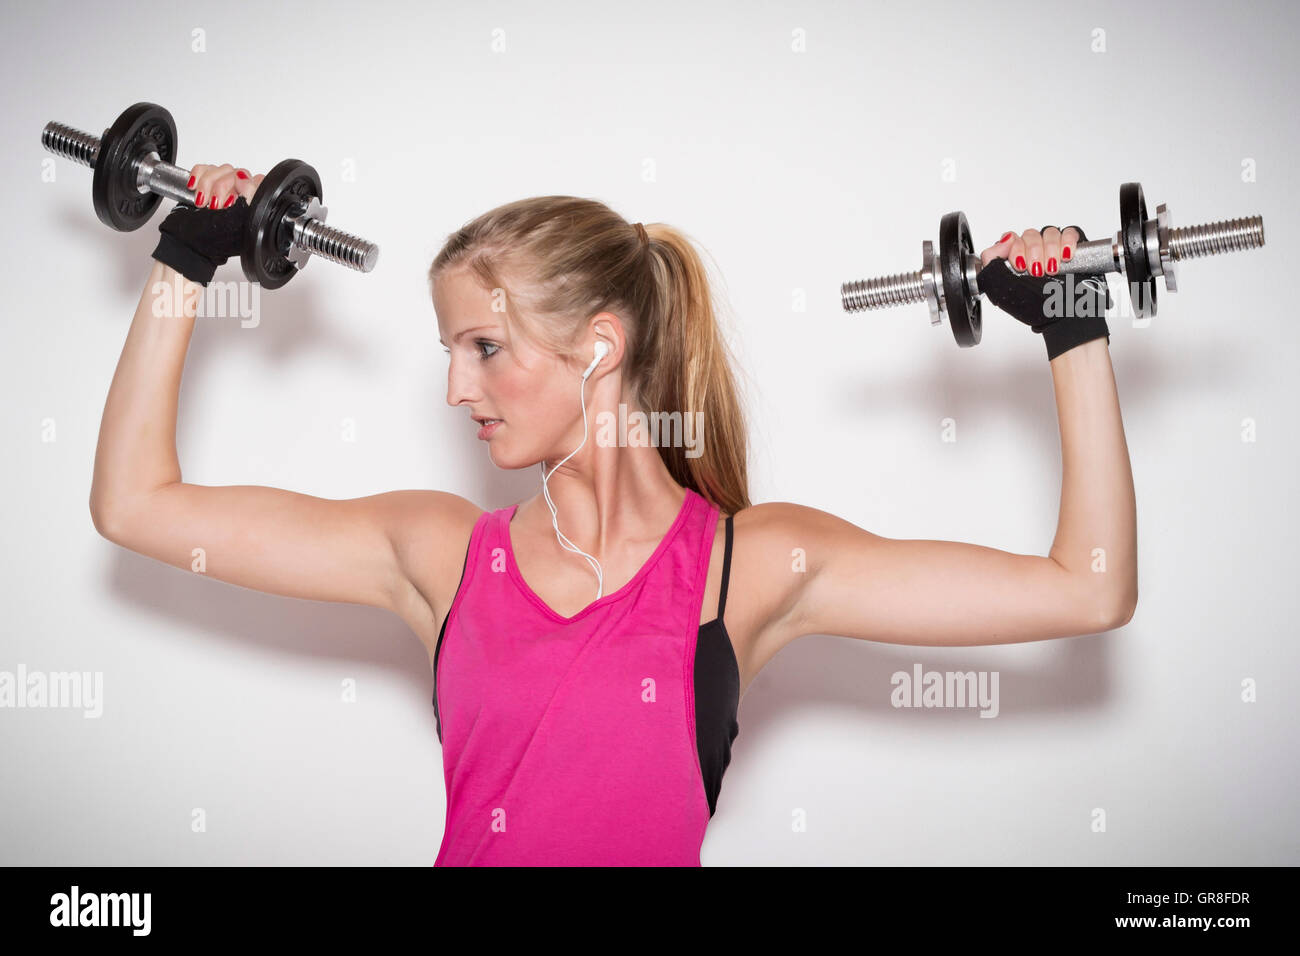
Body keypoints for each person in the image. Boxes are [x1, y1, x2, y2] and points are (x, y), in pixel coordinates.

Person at [89, 163, 1138, 866]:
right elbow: (136, 505)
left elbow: (1086, 589)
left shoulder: (749, 565)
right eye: (449, 352)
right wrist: (186, 258)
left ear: (597, 346)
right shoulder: (442, 554)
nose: (456, 388)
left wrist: (1072, 329)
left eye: (483, 348)